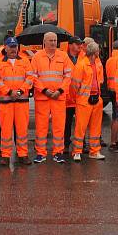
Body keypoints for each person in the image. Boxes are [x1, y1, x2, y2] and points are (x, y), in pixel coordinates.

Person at [31, 32, 73, 163]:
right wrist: (44, 90)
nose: (54, 43)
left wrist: (59, 91)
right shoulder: (37, 57)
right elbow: (33, 76)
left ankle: (58, 152)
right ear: (44, 42)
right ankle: (40, 153)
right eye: (51, 41)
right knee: (41, 126)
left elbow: (68, 76)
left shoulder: (63, 56)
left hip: (58, 97)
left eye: (55, 40)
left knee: (59, 126)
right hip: (43, 97)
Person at [0, 36, 34, 166]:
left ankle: (23, 154)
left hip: (22, 102)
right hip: (5, 103)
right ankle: (5, 155)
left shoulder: (25, 61)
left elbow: (30, 78)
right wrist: (10, 92)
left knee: (22, 130)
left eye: (15, 46)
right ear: (5, 47)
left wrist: (20, 92)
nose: (13, 49)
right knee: (6, 130)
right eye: (10, 46)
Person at [70, 41, 106, 162]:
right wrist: (79, 98)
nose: (99, 52)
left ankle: (94, 151)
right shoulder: (81, 65)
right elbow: (75, 85)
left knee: (96, 128)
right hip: (84, 101)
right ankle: (77, 152)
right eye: (98, 50)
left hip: (96, 99)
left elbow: (100, 81)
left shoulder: (98, 64)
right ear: (94, 52)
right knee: (80, 127)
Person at [104, 40, 118, 152]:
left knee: (114, 116)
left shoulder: (109, 60)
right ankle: (113, 143)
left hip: (111, 90)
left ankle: (114, 140)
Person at [63, 36, 83, 154]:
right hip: (68, 98)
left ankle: (81, 144)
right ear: (70, 45)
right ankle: (66, 144)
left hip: (80, 97)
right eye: (77, 44)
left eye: (80, 44)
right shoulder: (64, 58)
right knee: (67, 123)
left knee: (81, 123)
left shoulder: (82, 58)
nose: (79, 46)